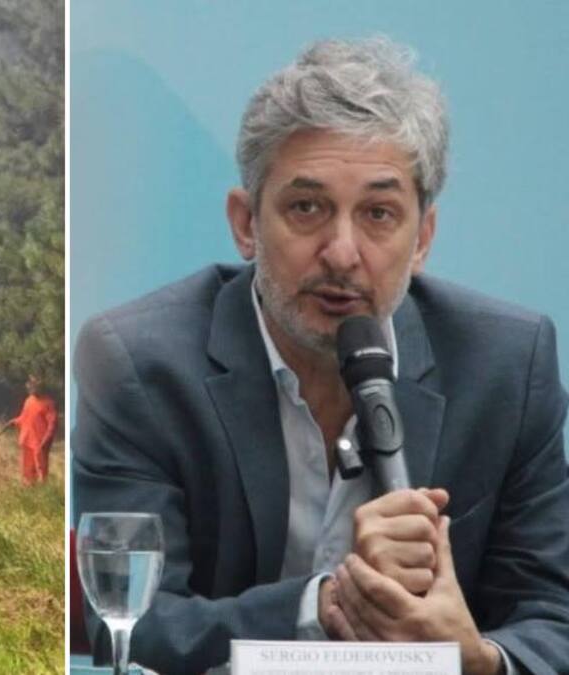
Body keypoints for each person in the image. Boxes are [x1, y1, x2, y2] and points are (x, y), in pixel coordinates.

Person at [72, 37, 569, 675]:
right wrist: (325, 603)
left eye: (379, 214)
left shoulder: (506, 364)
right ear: (247, 223)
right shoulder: (138, 362)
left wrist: (477, 660)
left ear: (423, 239)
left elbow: (553, 616)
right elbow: (127, 621)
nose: (341, 251)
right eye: (307, 208)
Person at [11, 374, 58, 485]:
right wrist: (14, 421)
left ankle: (42, 493)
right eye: (29, 386)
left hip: (39, 443)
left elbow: (52, 425)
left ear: (40, 387)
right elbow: (24, 417)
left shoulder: (48, 404)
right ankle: (28, 491)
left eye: (33, 386)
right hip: (26, 440)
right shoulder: (29, 400)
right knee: (26, 469)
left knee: (40, 470)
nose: (30, 388)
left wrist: (44, 442)